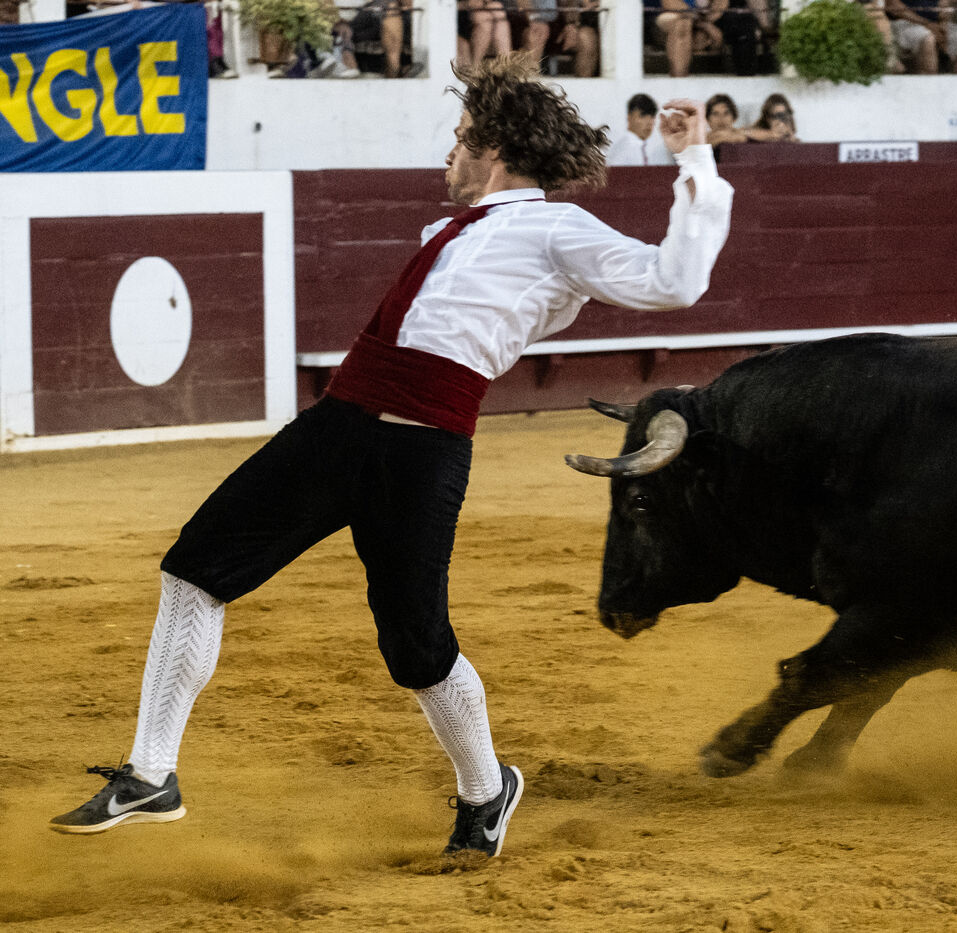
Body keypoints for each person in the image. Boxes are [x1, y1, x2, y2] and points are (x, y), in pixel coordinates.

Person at [47, 52, 734, 859]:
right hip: (338, 425)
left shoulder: (556, 227)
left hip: (423, 449)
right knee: (194, 569)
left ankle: (486, 789)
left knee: (417, 644)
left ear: (496, 148)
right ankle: (150, 772)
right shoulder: (448, 233)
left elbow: (675, 281)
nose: (450, 151)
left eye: (461, 136)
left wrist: (695, 160)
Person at [606, 93, 674, 165]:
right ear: (629, 117)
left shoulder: (638, 146)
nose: (649, 122)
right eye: (643, 115)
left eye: (652, 116)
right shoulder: (627, 147)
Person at [457, 0, 511, 68]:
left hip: (482, 13)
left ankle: (506, 65)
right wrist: (466, 4)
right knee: (484, 19)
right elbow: (447, 6)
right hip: (459, 18)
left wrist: (486, 2)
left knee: (499, 16)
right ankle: (475, 67)